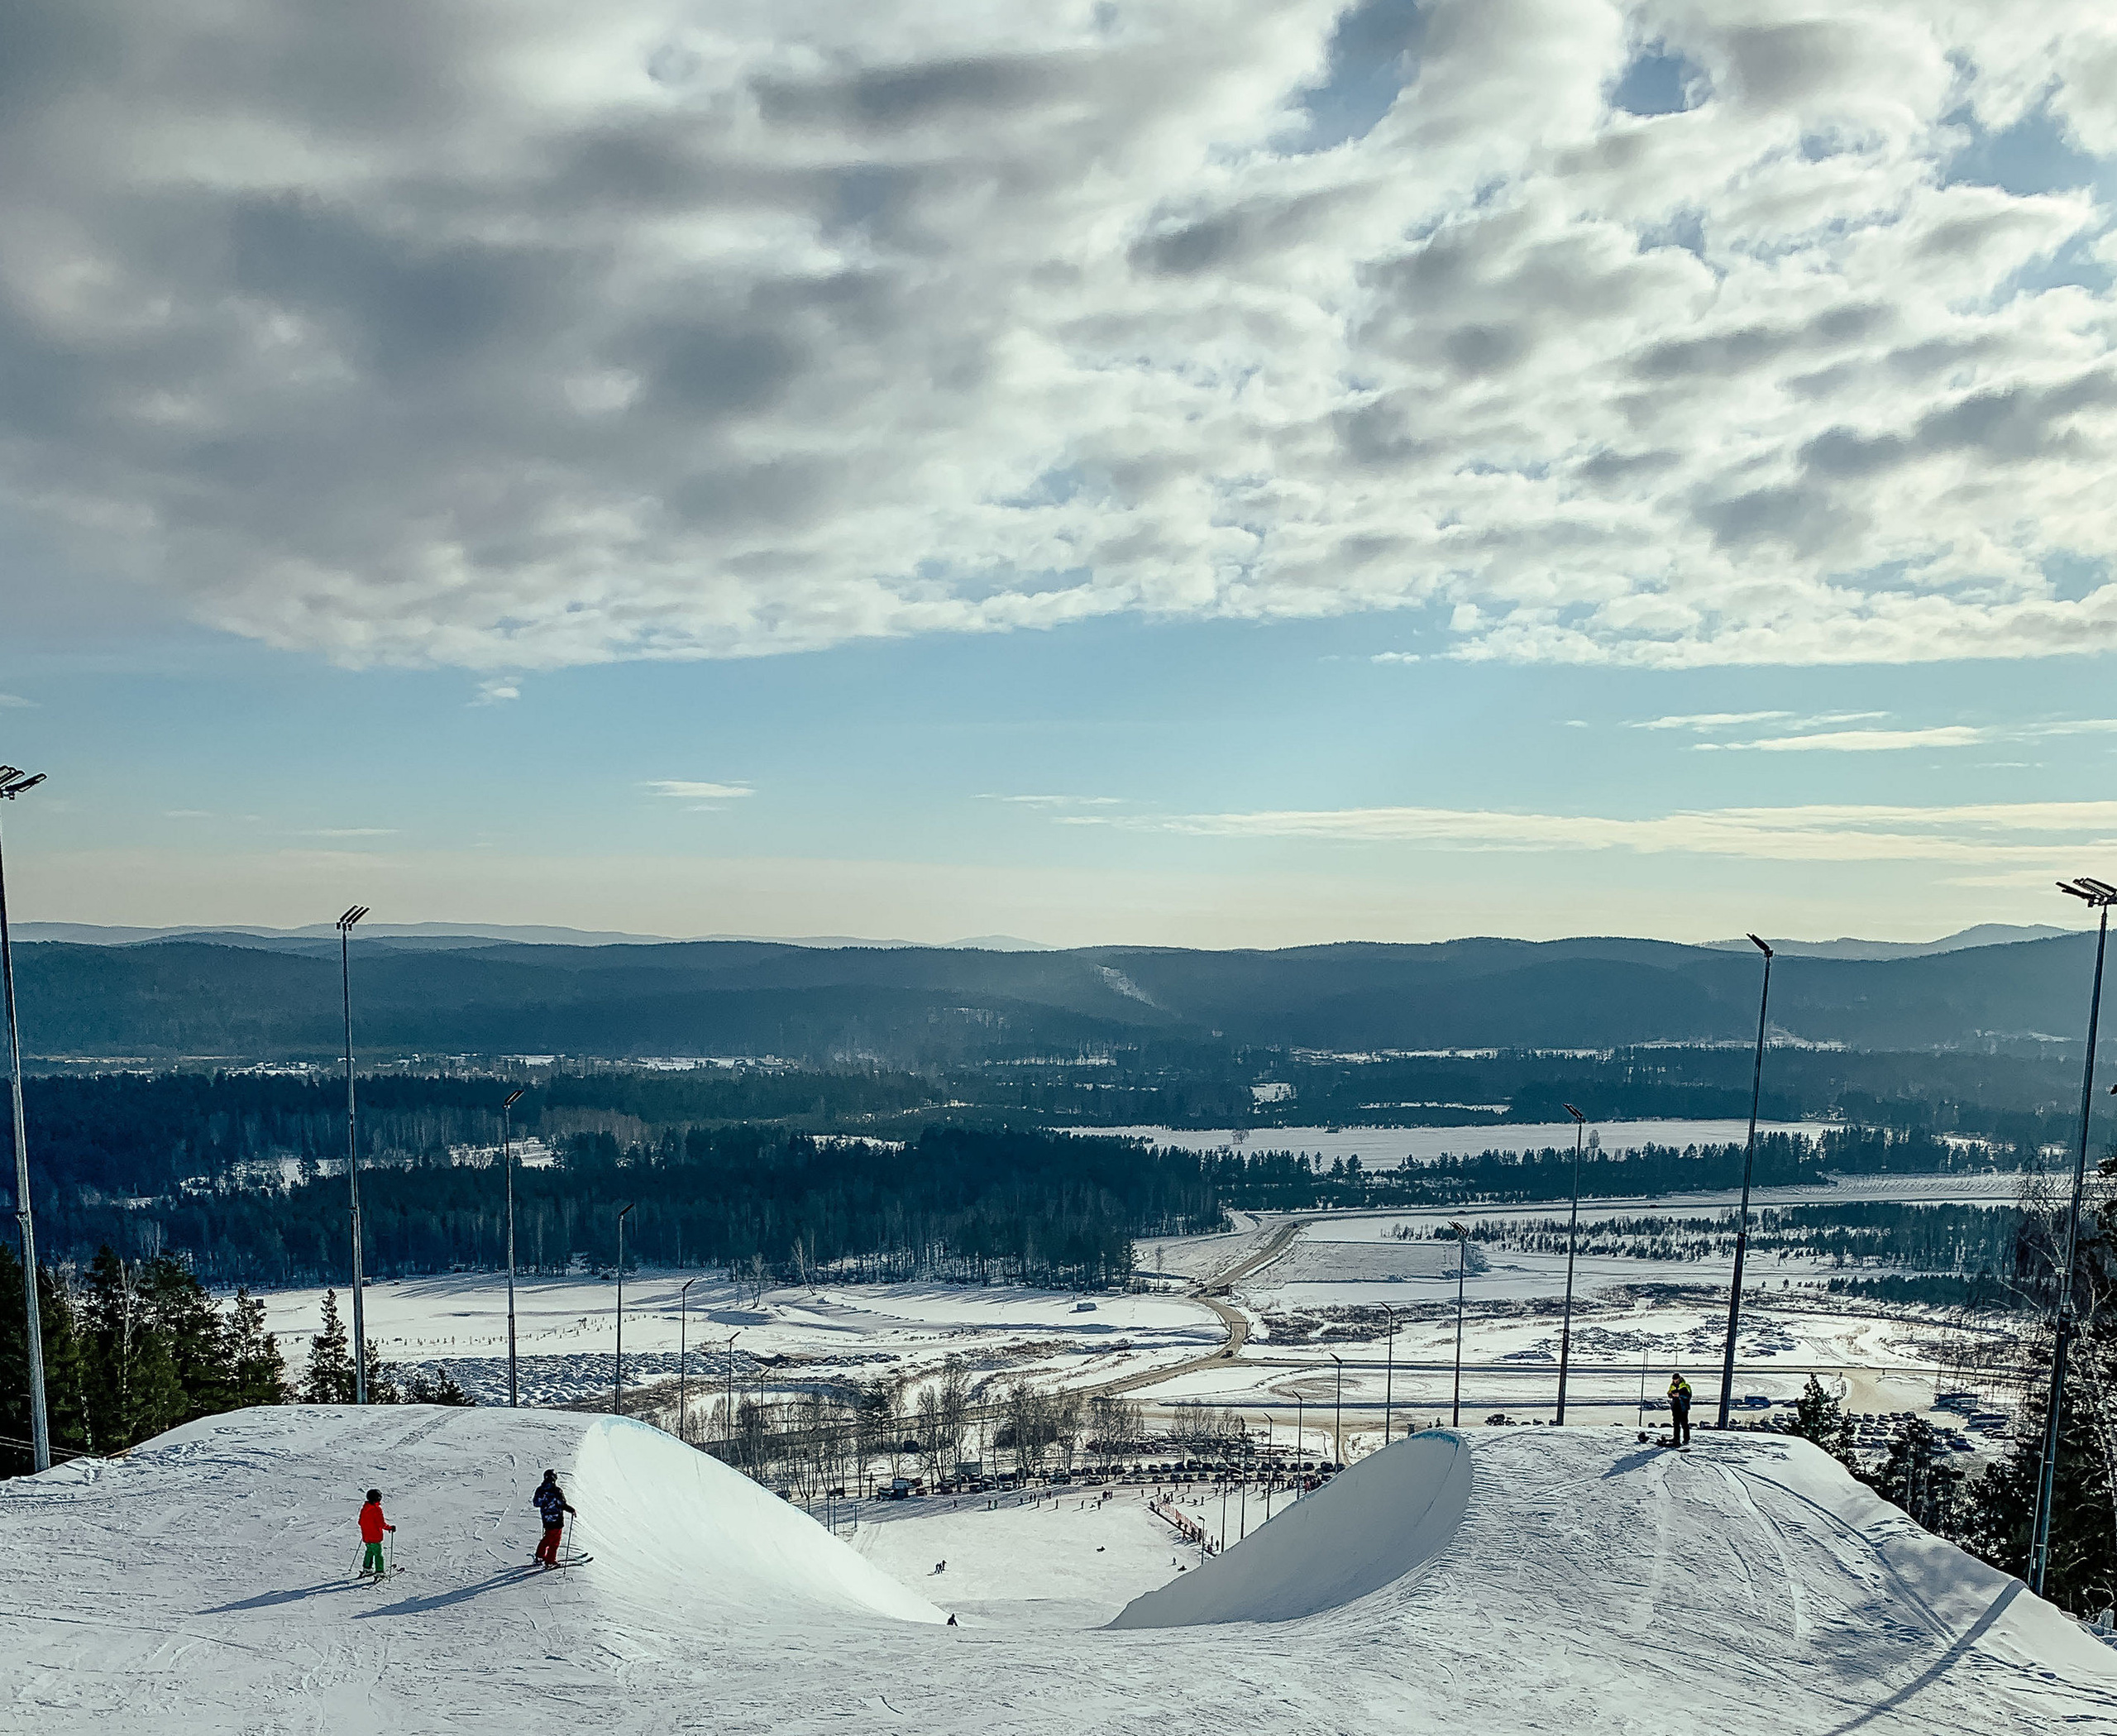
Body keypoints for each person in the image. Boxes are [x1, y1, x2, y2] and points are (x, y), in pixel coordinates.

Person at [533, 1469, 576, 1569]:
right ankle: (550, 1561)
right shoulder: (557, 1491)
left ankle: (540, 1556)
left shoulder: (540, 1490)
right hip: (557, 1520)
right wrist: (571, 1510)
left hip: (546, 1520)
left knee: (547, 1538)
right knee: (555, 1541)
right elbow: (562, 1504)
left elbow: (536, 1503)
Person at [358, 1489, 395, 1578]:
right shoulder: (376, 1509)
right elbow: (381, 1524)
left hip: (366, 1537)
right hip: (375, 1537)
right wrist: (390, 1528)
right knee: (378, 1554)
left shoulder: (365, 1508)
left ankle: (367, 1568)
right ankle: (380, 1572)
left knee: (369, 1552)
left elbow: (360, 1522)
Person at [1667, 1373, 1694, 1448]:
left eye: (1676, 1380)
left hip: (1683, 1407)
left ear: (1679, 1379)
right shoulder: (1672, 1386)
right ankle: (1676, 1439)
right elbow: (1669, 1393)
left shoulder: (1686, 1386)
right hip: (1675, 1407)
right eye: (1674, 1380)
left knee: (1684, 1423)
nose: (1675, 1381)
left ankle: (1686, 1439)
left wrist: (1680, 1395)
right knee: (1676, 1423)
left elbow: (1688, 1396)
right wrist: (1671, 1395)